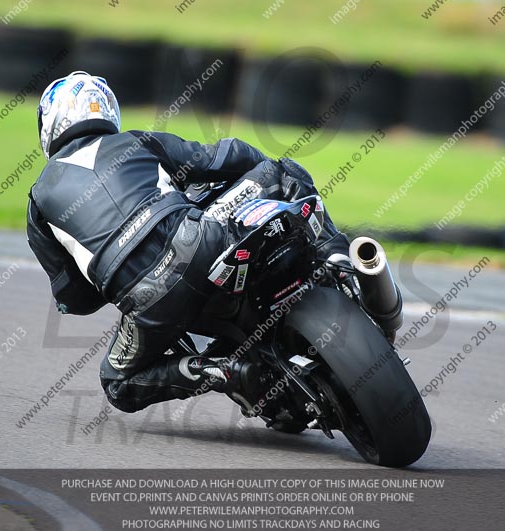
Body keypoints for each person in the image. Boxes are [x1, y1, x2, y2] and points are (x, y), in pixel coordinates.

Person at [27, 71, 350, 414]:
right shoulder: (137, 142)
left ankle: (225, 370)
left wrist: (110, 270)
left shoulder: (39, 200)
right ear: (106, 109)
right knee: (282, 172)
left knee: (117, 383)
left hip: (142, 302)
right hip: (197, 241)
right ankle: (339, 261)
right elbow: (226, 157)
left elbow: (74, 299)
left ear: (50, 124)